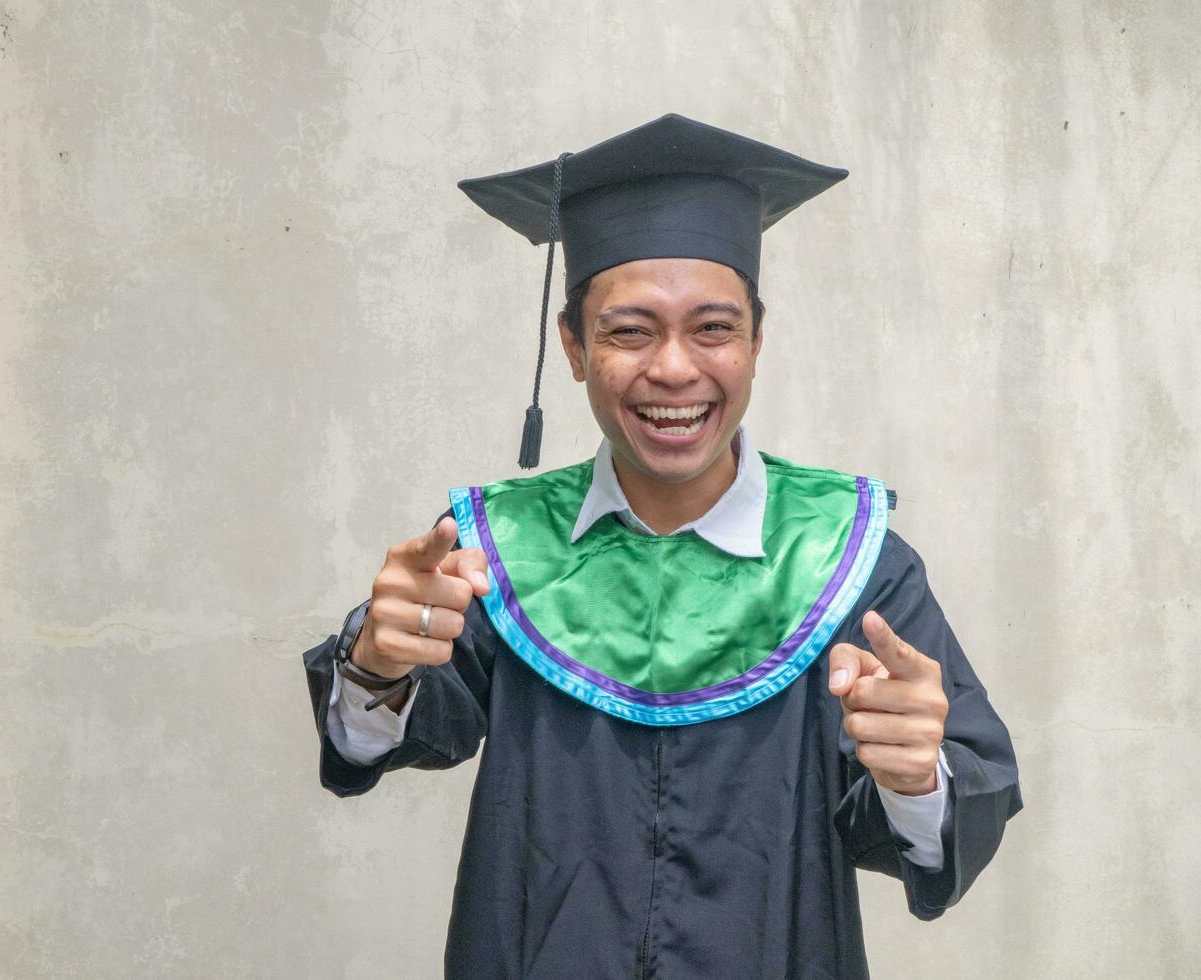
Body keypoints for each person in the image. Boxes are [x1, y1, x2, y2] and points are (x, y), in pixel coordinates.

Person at [302, 114, 1022, 978]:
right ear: (573, 347)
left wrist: (917, 776)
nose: (675, 369)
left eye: (714, 328)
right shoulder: (496, 550)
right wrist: (375, 665)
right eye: (629, 331)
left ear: (757, 339)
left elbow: (950, 824)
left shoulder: (849, 560)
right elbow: (367, 745)